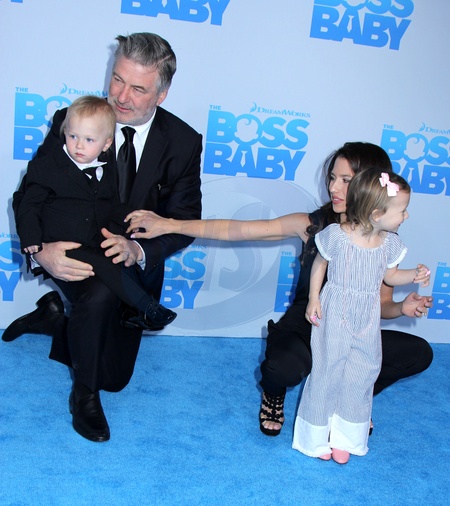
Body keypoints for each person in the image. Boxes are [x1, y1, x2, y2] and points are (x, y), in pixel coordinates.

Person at [124, 141, 433, 438]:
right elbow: (237, 230)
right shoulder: (314, 226)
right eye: (332, 178)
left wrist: (402, 308)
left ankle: (349, 399)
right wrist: (170, 224)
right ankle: (274, 393)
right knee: (280, 369)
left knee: (418, 353)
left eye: (346, 181)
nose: (333, 188)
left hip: (351, 332)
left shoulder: (384, 242)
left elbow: (381, 306)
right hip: (308, 324)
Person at [3, 33, 203, 443]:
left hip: (131, 269)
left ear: (162, 94)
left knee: (115, 377)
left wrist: (138, 249)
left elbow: (185, 221)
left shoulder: (183, 143)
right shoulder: (74, 120)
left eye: (138, 88)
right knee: (97, 301)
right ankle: (84, 396)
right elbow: (30, 195)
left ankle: (56, 318)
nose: (121, 97)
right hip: (69, 250)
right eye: (117, 79)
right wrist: (41, 253)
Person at [292, 168, 429, 464]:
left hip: (367, 316)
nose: (406, 216)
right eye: (402, 210)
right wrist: (314, 298)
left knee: (362, 373)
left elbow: (390, 276)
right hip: (335, 311)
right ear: (377, 214)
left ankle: (347, 437)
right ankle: (314, 438)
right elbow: (320, 264)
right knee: (327, 371)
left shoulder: (390, 244)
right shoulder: (338, 236)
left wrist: (413, 275)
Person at [16, 95, 176, 330]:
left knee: (133, 248)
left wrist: (133, 217)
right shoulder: (46, 167)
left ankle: (131, 312)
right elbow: (28, 204)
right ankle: (147, 307)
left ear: (106, 144)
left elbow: (109, 205)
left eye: (89, 140)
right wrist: (32, 240)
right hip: (62, 242)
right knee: (105, 264)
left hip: (92, 237)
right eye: (73, 136)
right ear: (65, 132)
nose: (79, 145)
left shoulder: (106, 170)